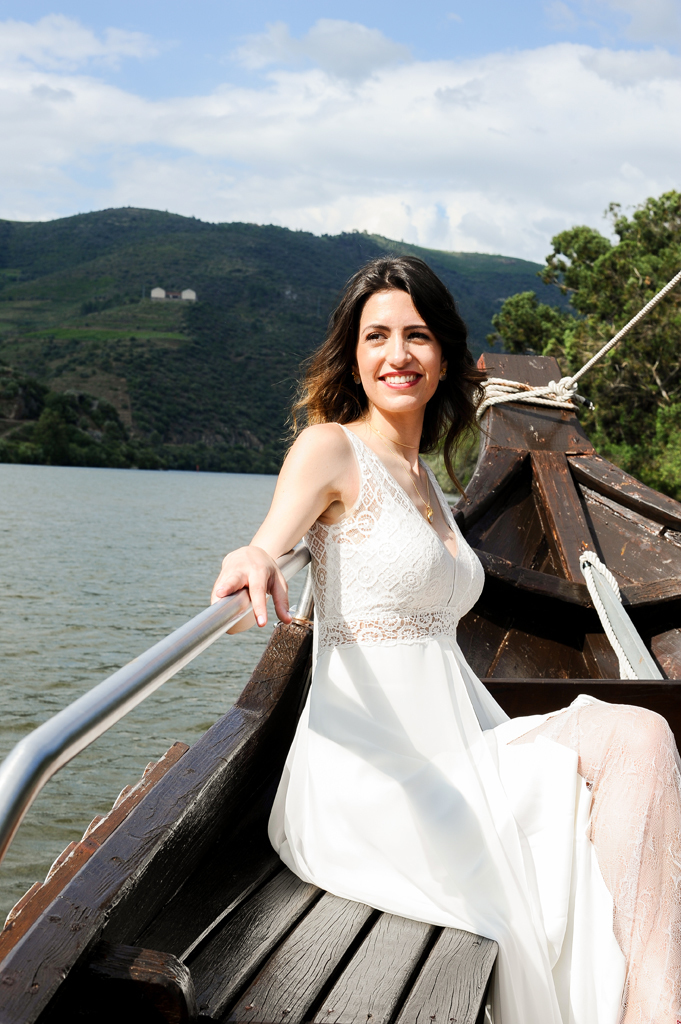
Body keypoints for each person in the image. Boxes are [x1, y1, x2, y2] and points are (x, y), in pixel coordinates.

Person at [211, 256, 681, 1024]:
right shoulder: (332, 448)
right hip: (374, 770)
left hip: (459, 743)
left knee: (639, 736)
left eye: (417, 335)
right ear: (351, 356)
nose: (396, 354)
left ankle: (653, 1009)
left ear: (443, 356)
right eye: (376, 337)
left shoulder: (425, 476)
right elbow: (270, 541)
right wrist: (255, 557)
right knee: (608, 778)